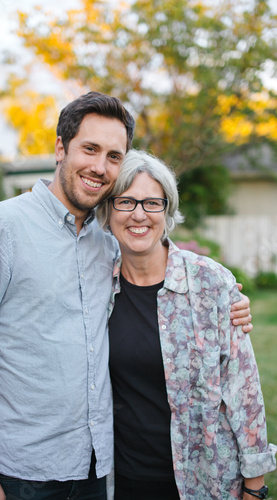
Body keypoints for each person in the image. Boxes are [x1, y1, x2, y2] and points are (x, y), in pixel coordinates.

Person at [0, 91, 251, 500]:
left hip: (98, 468)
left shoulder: (109, 246)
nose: (99, 167)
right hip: (19, 472)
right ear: (60, 148)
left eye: (113, 155)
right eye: (89, 149)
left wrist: (226, 302)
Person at [95, 149, 276, 500]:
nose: (138, 215)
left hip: (206, 483)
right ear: (108, 209)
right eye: (126, 202)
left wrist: (255, 486)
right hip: (124, 482)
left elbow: (244, 389)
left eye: (151, 203)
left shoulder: (210, 283)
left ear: (167, 210)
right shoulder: (94, 285)